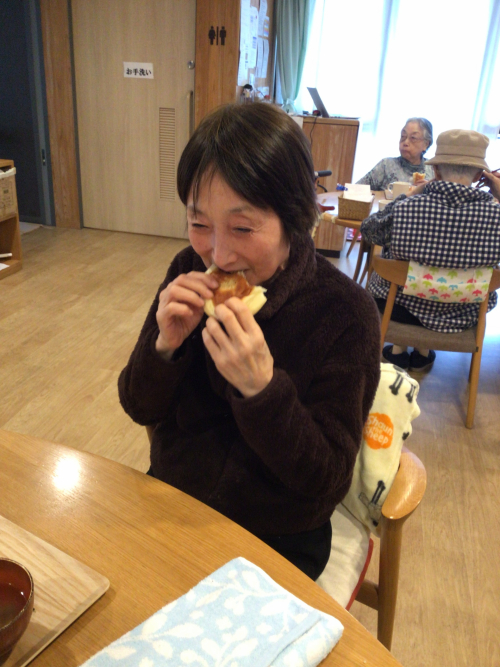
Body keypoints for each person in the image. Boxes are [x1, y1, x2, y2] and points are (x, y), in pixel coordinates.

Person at [118, 102, 381, 581]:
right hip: (174, 500)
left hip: (280, 533)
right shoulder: (187, 268)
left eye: (242, 228)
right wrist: (163, 348)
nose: (218, 254)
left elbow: (325, 479)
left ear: (295, 219)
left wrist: (262, 390)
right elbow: (138, 406)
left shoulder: (345, 312)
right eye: (199, 224)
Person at [360, 129, 500, 372]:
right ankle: (422, 353)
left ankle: (399, 351)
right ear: (480, 175)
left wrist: (408, 196)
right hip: (464, 311)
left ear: (435, 171)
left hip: (401, 309)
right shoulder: (496, 216)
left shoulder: (408, 208)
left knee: (396, 272)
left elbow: (369, 230)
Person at [357, 118, 434, 191]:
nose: (405, 142)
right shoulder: (386, 165)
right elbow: (356, 190)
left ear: (426, 144)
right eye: (403, 136)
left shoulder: (433, 170)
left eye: (413, 138)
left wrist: (430, 189)